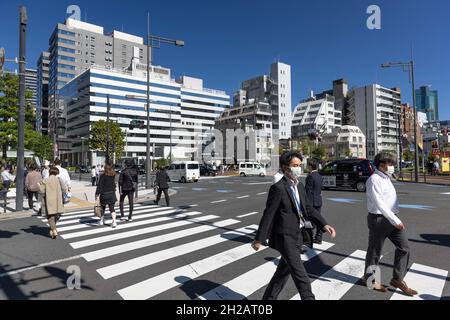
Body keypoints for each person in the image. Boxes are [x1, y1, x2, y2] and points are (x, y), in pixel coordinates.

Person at [252, 151, 336, 300]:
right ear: (285, 168)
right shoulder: (278, 188)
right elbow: (268, 214)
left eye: (300, 165)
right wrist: (259, 238)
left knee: (282, 274)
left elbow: (308, 208)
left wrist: (324, 224)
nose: (298, 168)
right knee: (301, 275)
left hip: (298, 235)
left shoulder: (300, 186)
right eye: (295, 166)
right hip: (285, 237)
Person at [364, 151, 418, 296]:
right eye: (390, 164)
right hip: (379, 219)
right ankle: (370, 279)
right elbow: (380, 204)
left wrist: (394, 218)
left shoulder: (386, 177)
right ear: (381, 165)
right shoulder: (374, 180)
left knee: (404, 248)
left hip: (391, 218)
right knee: (375, 252)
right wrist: (395, 220)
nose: (393, 166)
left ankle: (397, 279)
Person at [39, 167, 67, 239]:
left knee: (50, 216)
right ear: (56, 173)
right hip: (58, 200)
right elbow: (64, 189)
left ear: (50, 172)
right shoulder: (59, 180)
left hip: (49, 200)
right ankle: (52, 229)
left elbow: (42, 191)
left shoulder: (45, 180)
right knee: (56, 215)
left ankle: (54, 230)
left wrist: (39, 186)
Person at [305, 159, 324, 245]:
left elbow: (308, 191)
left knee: (309, 221)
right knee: (318, 219)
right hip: (318, 200)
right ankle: (319, 238)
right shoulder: (319, 176)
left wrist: (305, 203)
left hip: (311, 201)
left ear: (310, 166)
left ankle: (309, 238)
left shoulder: (310, 176)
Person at [95, 163, 118, 228]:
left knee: (103, 208)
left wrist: (97, 194)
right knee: (112, 208)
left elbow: (100, 186)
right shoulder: (113, 175)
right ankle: (114, 222)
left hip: (104, 194)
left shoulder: (103, 176)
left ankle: (102, 220)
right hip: (112, 193)